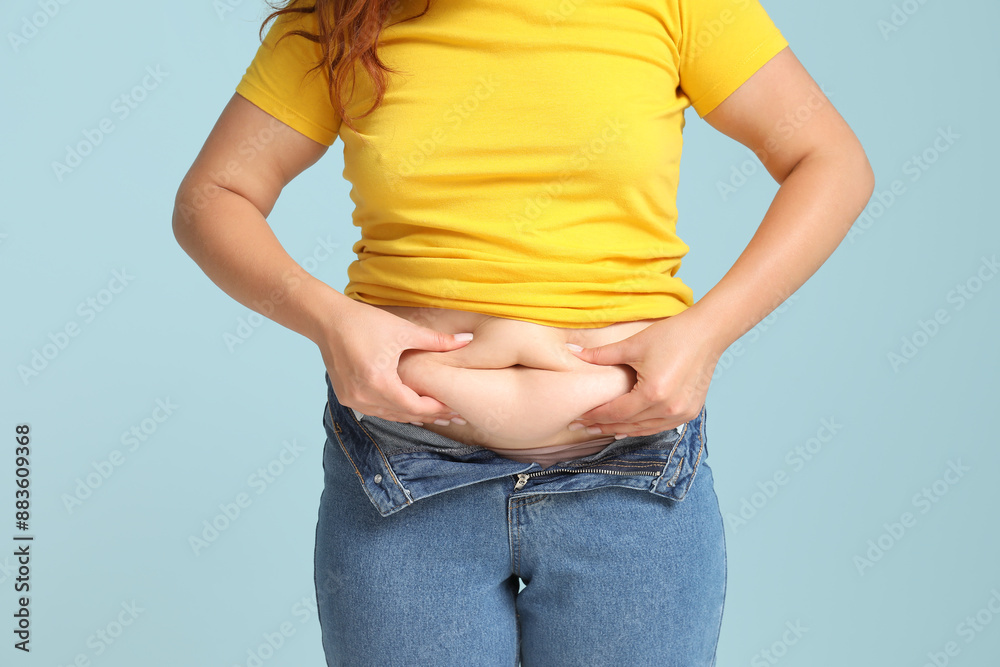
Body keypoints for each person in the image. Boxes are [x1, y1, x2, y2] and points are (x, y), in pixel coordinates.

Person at [173, 0, 874, 664]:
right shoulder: (344, 17)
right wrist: (331, 322)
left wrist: (707, 332)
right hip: (405, 474)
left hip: (631, 475)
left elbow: (831, 162)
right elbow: (212, 198)